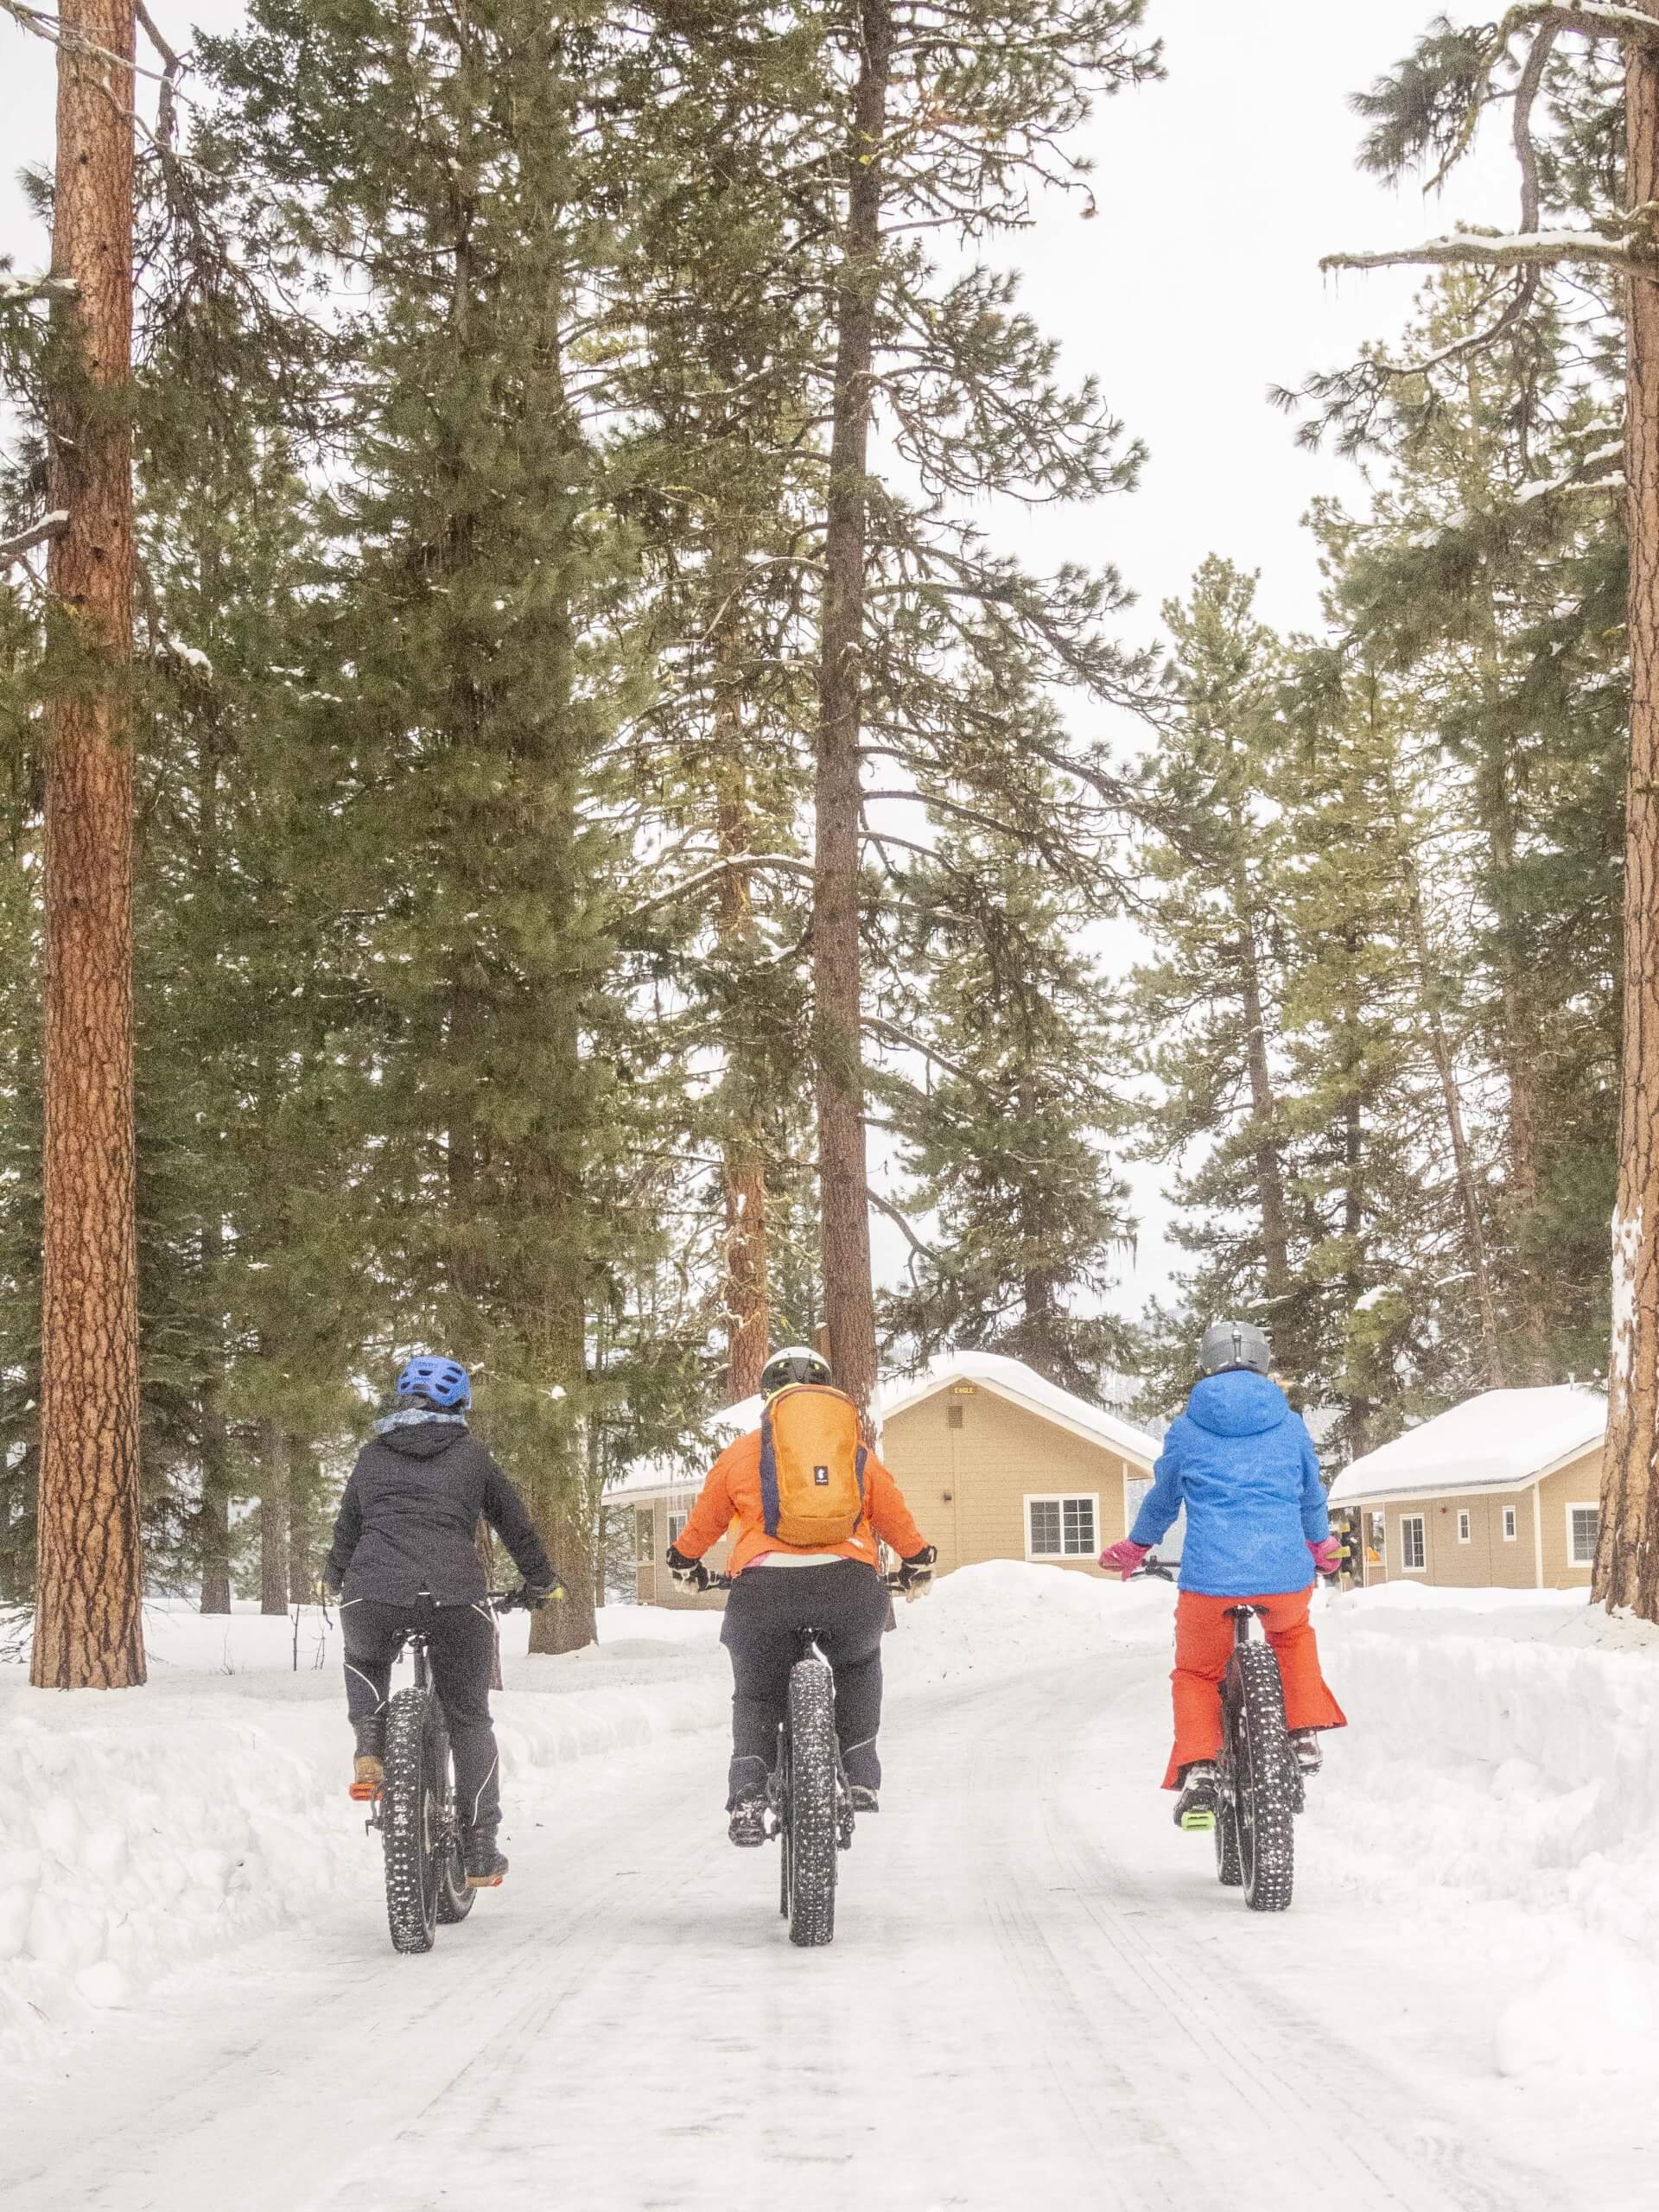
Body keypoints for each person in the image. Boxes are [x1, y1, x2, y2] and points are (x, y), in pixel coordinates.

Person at [665, 1344, 937, 1845]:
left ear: (767, 1399)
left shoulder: (743, 1452)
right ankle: (859, 1773)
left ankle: (748, 1793)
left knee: (758, 1692)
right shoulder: (853, 1452)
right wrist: (917, 1560)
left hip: (764, 1591)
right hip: (849, 1585)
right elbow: (894, 1516)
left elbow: (704, 1522)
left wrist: (684, 1561)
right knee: (857, 1664)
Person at [322, 1354, 567, 1888]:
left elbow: (348, 1528)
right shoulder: (472, 1455)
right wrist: (542, 1581)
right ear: (460, 1403)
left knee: (364, 1658)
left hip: (374, 1591)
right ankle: (480, 1848)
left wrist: (336, 1578)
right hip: (454, 1596)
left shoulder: (371, 1456)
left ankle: (369, 1745)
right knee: (469, 1718)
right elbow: (515, 1525)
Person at [1099, 1319, 1346, 1831]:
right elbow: (1309, 1492)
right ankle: (1301, 1733)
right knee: (1292, 1635)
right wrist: (1321, 1544)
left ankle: (1202, 1767)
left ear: (1206, 1363)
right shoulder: (1290, 1423)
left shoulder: (1188, 1429)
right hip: (1283, 1577)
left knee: (1198, 1673)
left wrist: (1137, 1546)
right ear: (1264, 1361)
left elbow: (1165, 1497)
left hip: (1210, 1583)